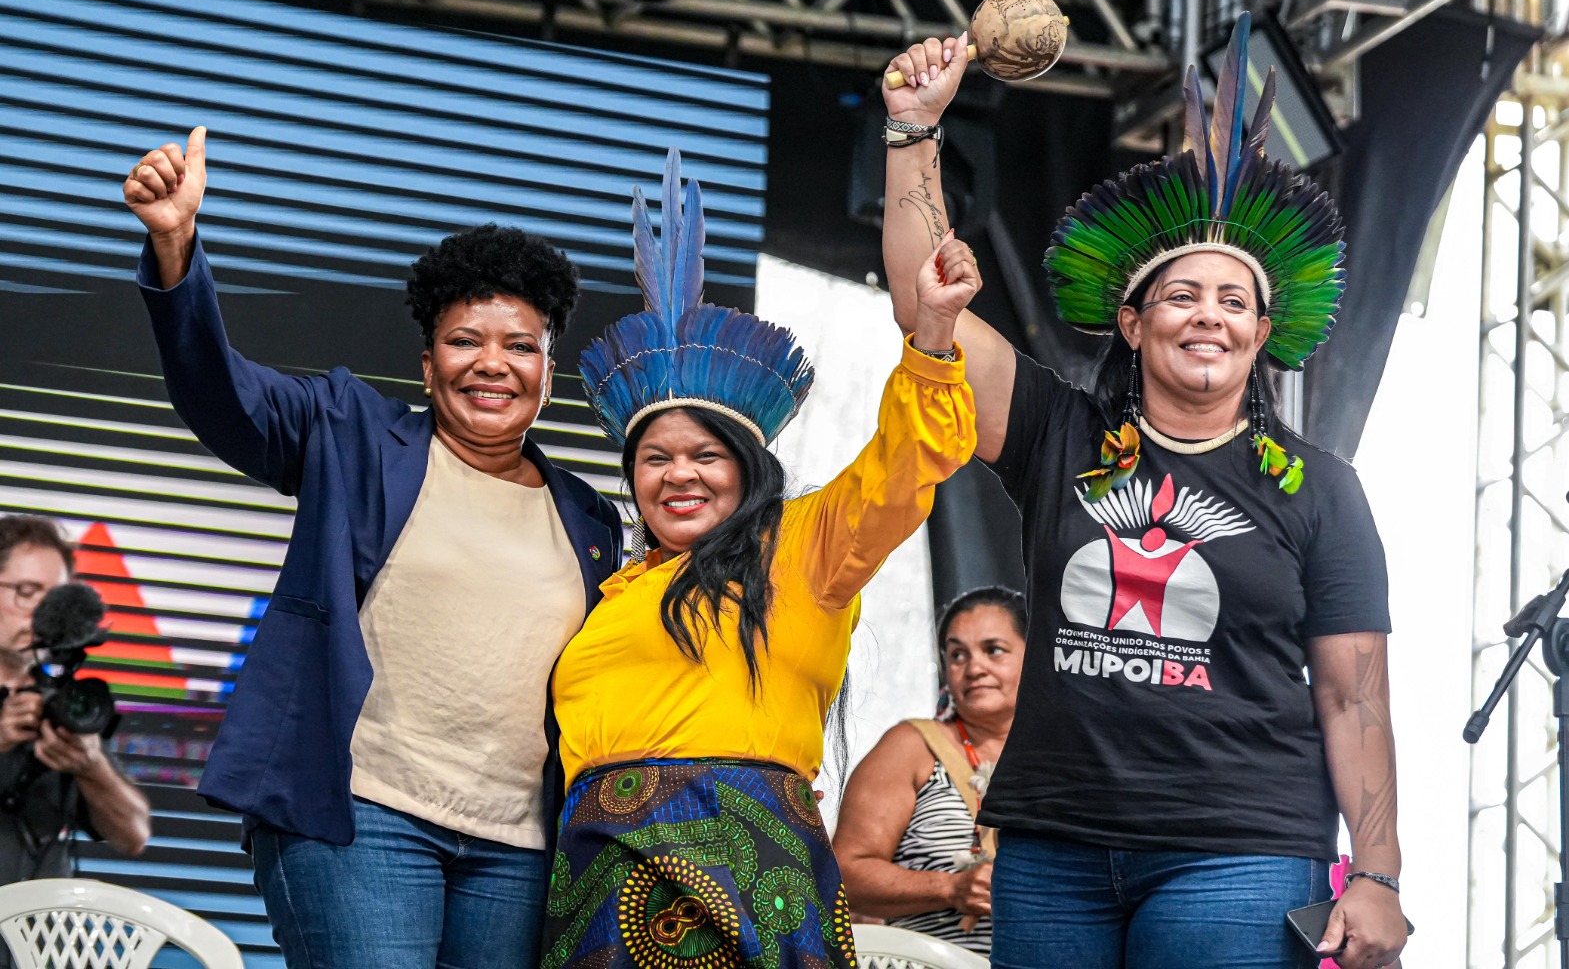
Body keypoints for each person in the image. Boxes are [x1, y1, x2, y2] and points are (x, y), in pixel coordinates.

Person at [878, 16, 1406, 969]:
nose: (1208, 313)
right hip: (1052, 846)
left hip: (1239, 850)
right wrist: (914, 130)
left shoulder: (1321, 490)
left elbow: (1352, 697)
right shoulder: (1059, 435)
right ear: (1130, 321)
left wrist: (1375, 874)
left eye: (1233, 300)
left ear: (1260, 335)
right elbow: (929, 300)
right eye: (1181, 294)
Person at [122, 129, 622, 968]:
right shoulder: (349, 430)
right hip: (360, 815)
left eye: (520, 346)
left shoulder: (590, 519)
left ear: (547, 369)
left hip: (518, 846)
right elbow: (220, 391)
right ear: (428, 368)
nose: (491, 363)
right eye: (465, 342)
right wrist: (175, 246)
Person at [538, 150, 978, 969]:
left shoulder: (803, 543)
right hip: (595, 866)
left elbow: (902, 468)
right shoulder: (613, 589)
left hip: (743, 857)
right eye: (654, 459)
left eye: (704, 455)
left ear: (747, 466)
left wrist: (933, 333)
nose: (678, 475)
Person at [834, 585, 1026, 955]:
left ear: (1032, 658)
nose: (974, 668)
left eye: (993, 650)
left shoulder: (1068, 754)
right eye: (957, 655)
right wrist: (950, 888)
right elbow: (845, 874)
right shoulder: (912, 746)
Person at [0, 515, 150, 887]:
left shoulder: (65, 703)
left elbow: (133, 834)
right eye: (27, 591)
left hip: (40, 940)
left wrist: (91, 766)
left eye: (55, 598)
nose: (42, 614)